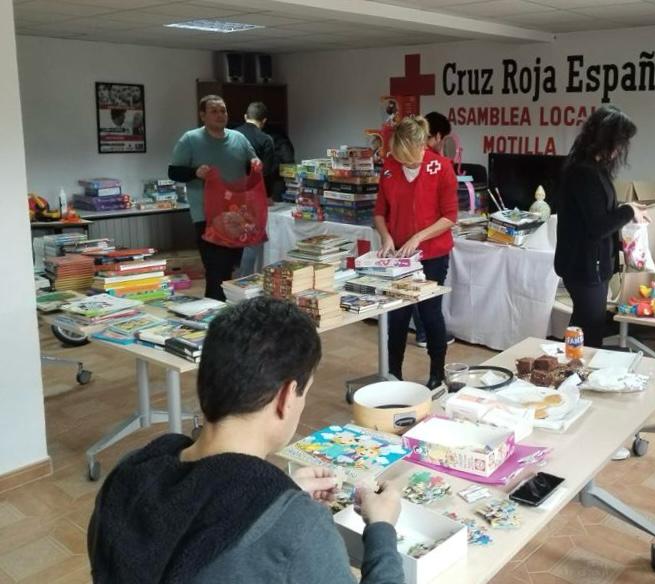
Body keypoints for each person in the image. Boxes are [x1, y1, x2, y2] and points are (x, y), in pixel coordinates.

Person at [87, 297, 404, 583]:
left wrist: (279, 492)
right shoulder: (299, 530)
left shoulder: (129, 473)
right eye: (304, 393)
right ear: (285, 398)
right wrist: (381, 529)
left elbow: (203, 508)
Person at [554, 104, 650, 348]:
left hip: (593, 266)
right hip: (583, 267)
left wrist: (629, 210)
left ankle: (573, 372)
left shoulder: (595, 171)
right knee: (590, 330)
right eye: (620, 142)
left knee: (584, 326)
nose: (620, 150)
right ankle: (580, 376)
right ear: (607, 140)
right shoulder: (583, 173)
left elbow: (601, 214)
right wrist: (628, 211)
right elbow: (598, 226)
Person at [374, 116, 458, 389]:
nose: (407, 165)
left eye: (411, 160)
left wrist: (419, 237)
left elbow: (449, 216)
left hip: (432, 254)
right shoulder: (389, 168)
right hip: (398, 256)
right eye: (401, 160)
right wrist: (386, 236)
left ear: (422, 146)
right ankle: (394, 374)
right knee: (396, 314)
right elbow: (379, 212)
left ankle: (437, 373)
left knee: (430, 312)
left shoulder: (442, 167)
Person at [169, 95, 258, 300]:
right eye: (214, 111)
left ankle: (228, 310)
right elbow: (173, 172)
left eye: (223, 110)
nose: (220, 115)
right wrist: (195, 173)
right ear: (203, 115)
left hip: (237, 213)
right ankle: (214, 311)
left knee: (232, 267)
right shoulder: (190, 139)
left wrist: (256, 165)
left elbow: (251, 163)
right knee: (216, 268)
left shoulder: (239, 139)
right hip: (206, 215)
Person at [412, 111, 456, 349]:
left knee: (415, 291)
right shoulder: (440, 164)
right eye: (443, 138)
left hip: (407, 243)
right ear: (437, 136)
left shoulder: (403, 160)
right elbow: (450, 215)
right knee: (430, 297)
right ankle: (429, 336)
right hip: (433, 244)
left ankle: (421, 332)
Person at [234, 102, 277, 277]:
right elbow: (266, 172)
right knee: (252, 237)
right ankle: (245, 277)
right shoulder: (265, 139)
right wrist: (268, 196)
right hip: (252, 194)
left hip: (229, 191)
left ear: (245, 116)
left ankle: (231, 275)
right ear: (264, 120)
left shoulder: (232, 135)